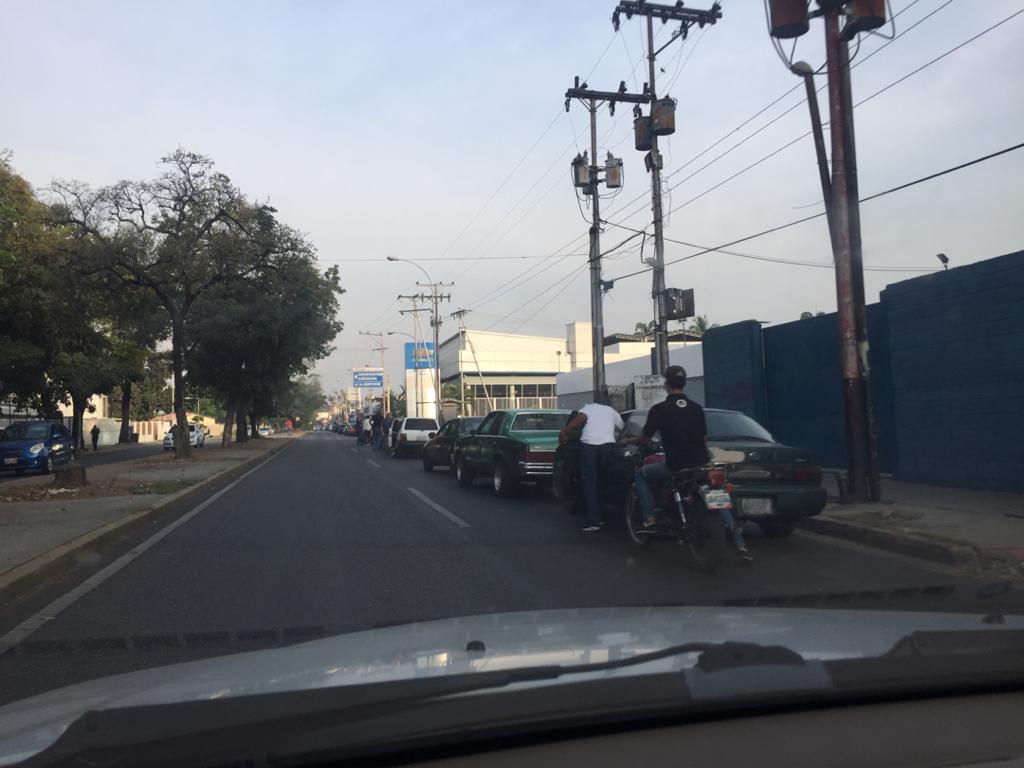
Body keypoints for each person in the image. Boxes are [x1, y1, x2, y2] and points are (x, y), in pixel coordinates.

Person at [620, 365, 752, 563]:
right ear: (684, 383)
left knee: (641, 474)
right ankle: (739, 541)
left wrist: (626, 441)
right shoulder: (697, 408)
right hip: (700, 464)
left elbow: (644, 438)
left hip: (675, 465)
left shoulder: (659, 409)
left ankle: (649, 518)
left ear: (666, 385)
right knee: (715, 493)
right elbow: (703, 438)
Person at [559, 400, 623, 532]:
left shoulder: (587, 408)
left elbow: (581, 418)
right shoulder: (611, 411)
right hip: (607, 446)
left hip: (589, 446)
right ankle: (604, 513)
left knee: (589, 482)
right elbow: (623, 428)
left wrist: (564, 431)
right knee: (602, 479)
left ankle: (594, 519)